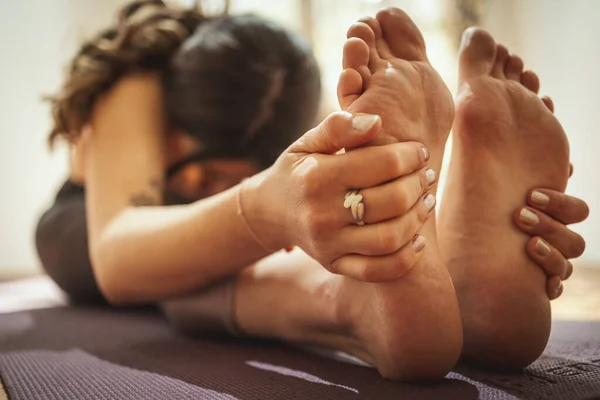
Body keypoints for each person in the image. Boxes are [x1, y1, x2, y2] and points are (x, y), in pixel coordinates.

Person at [35, 0, 589, 380]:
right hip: (87, 227)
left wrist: (420, 220)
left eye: (219, 173)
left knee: (324, 220)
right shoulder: (141, 73)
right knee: (205, 264)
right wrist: (262, 207)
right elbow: (117, 256)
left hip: (234, 246)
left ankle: (446, 297)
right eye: (185, 152)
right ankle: (349, 299)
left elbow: (340, 199)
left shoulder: (295, 102)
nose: (193, 181)